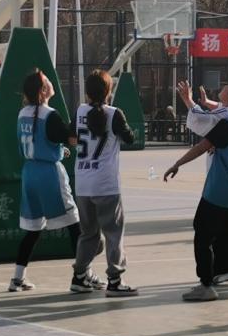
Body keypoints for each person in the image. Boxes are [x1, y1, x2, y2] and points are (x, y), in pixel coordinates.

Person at [165, 77, 228, 301]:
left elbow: (202, 147)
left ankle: (206, 284)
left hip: (219, 192)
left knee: (202, 235)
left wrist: (177, 163)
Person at [8, 70, 81, 293]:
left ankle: (17, 278)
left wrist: (57, 149)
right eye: (47, 80)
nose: (51, 81)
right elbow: (72, 139)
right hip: (49, 174)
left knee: (33, 229)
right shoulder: (50, 115)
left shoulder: (22, 114)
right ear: (43, 90)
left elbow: (40, 140)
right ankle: (82, 275)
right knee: (74, 224)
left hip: (29, 173)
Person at [70, 69, 138, 297]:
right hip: (105, 183)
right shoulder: (114, 114)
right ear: (108, 91)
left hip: (82, 183)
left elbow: (71, 136)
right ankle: (115, 280)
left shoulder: (79, 111)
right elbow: (130, 138)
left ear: (87, 92)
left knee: (88, 233)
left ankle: (79, 276)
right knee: (113, 233)